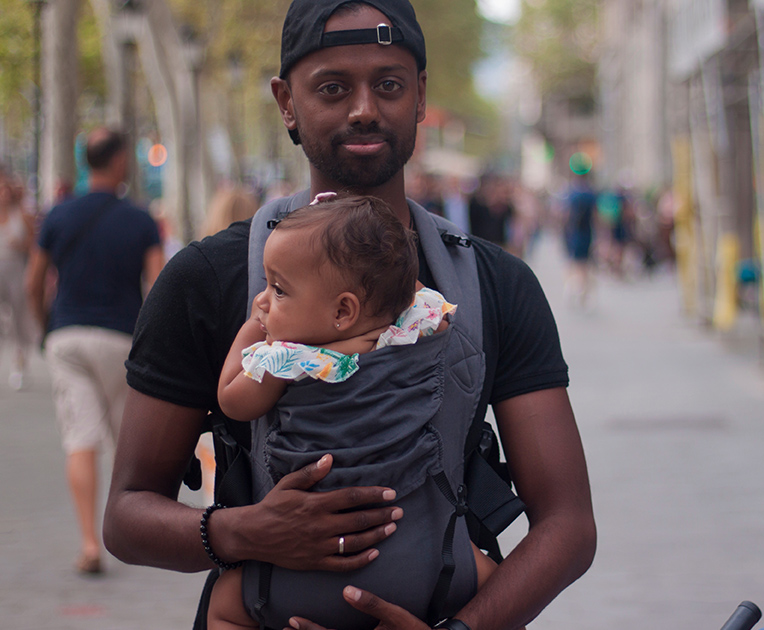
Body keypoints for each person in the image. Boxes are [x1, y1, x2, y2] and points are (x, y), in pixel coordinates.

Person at [104, 2, 595, 630]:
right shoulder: (207, 282)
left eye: (388, 84)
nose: (364, 107)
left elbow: (569, 525)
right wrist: (243, 532)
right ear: (285, 102)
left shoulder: (495, 286)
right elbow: (125, 515)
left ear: (421, 96)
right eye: (333, 87)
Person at [209, 193, 498, 629]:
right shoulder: (412, 330)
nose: (264, 300)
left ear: (344, 310)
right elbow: (420, 300)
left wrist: (252, 331)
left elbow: (232, 398)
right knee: (498, 584)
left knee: (225, 602)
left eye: (278, 289)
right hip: (423, 558)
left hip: (303, 570)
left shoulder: (288, 360)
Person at [25, 127, 165, 575]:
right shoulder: (141, 219)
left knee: (79, 439)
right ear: (122, 161)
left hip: (67, 337)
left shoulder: (58, 215)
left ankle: (89, 543)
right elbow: (159, 287)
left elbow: (34, 280)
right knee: (128, 442)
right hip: (122, 340)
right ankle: (134, 535)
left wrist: (44, 327)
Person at [0, 172, 36, 390]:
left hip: (16, 270)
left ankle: (19, 363)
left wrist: (20, 244)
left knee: (19, 319)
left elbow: (35, 246)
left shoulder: (22, 215)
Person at [563, 172, 597, 307]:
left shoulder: (573, 194)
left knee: (574, 262)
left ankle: (575, 288)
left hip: (575, 232)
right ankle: (582, 289)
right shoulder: (591, 194)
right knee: (584, 263)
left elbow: (566, 214)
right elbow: (596, 215)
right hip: (587, 232)